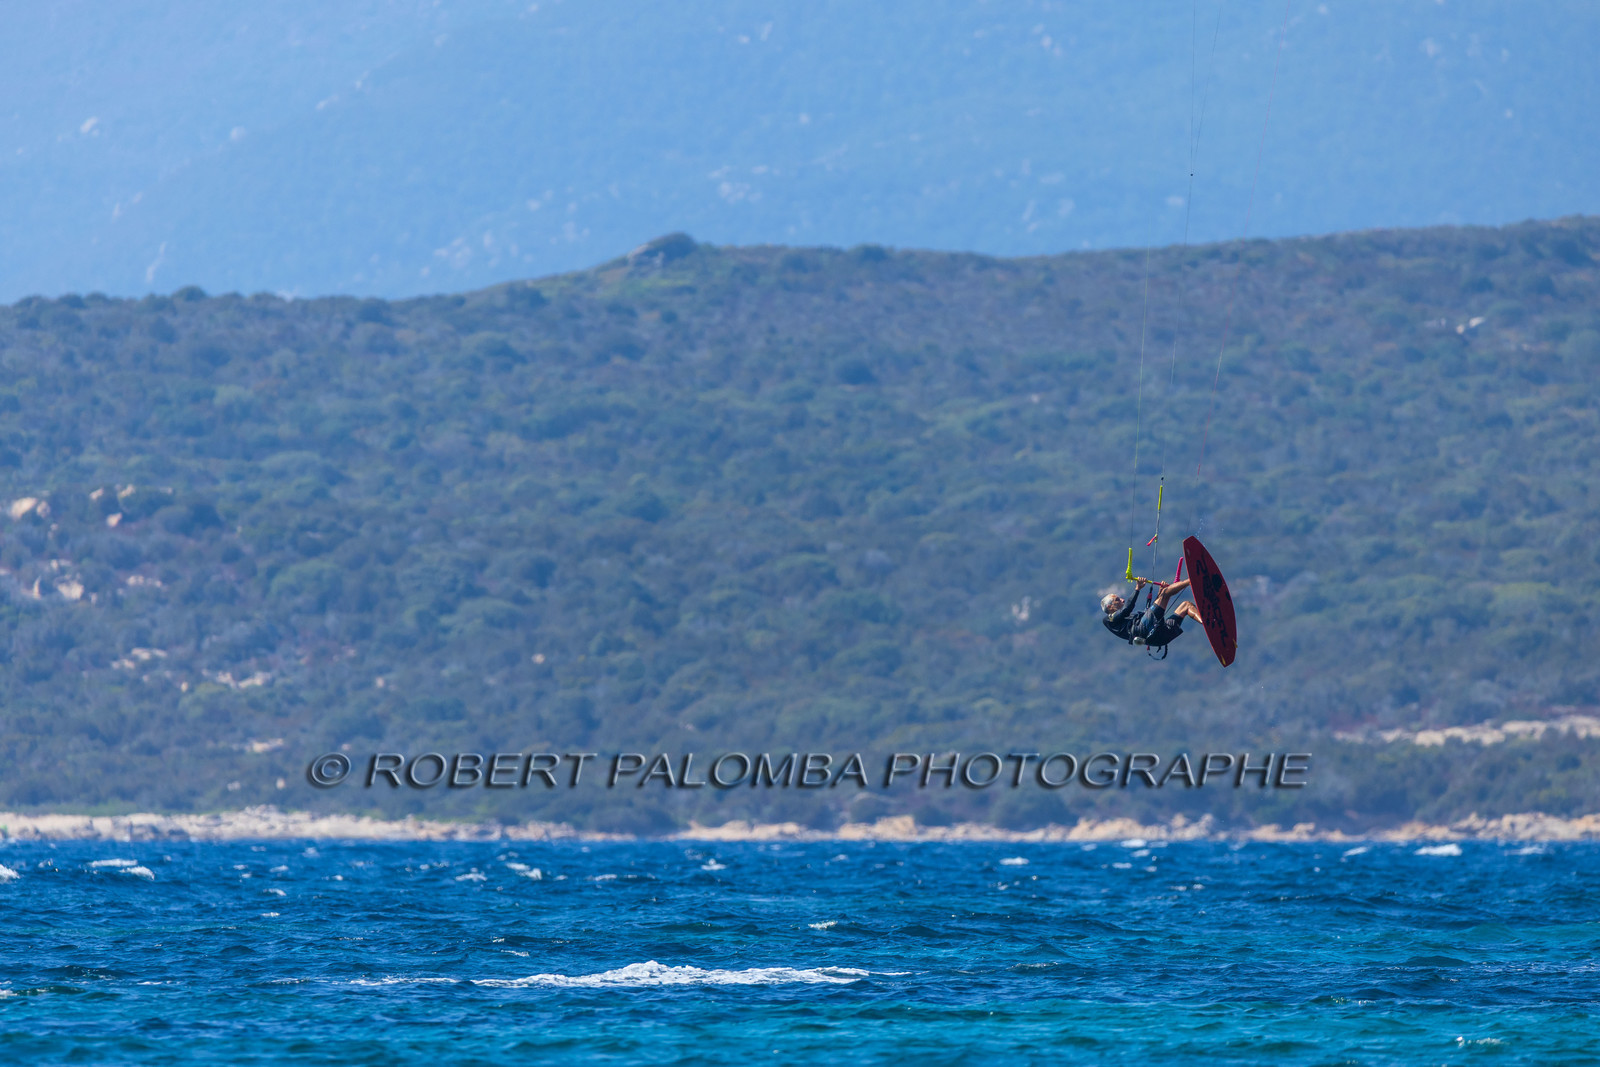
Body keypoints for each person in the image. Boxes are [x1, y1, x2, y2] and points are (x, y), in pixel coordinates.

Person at [1101, 578, 1202, 650]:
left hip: (1160, 637)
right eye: (1117, 599)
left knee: (1186, 605)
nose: (1122, 600)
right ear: (1109, 606)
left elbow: (1153, 613)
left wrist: (1160, 593)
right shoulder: (1108, 620)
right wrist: (1137, 589)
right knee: (1166, 594)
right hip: (1144, 630)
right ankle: (1192, 580)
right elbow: (1127, 609)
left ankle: (1206, 622)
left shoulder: (1123, 620)